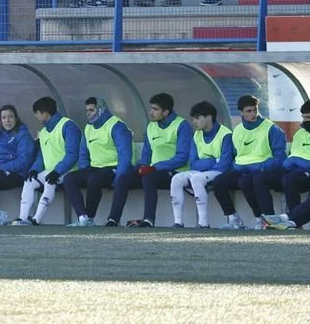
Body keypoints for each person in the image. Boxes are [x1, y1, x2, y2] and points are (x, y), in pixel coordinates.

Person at [106, 92, 192, 228]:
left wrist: (154, 167)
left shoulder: (182, 126)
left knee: (148, 177)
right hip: (153, 171)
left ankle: (149, 220)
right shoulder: (151, 126)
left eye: (155, 109)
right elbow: (146, 155)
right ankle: (113, 220)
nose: (151, 112)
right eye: (151, 108)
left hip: (175, 173)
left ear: (166, 112)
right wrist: (140, 167)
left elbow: (182, 157)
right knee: (124, 178)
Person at [211, 94, 286, 230]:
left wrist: (261, 167)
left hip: (265, 171)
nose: (253, 114)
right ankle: (234, 220)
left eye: (255, 110)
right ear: (241, 112)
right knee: (218, 182)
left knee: (249, 180)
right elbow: (235, 156)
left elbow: (280, 157)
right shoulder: (237, 130)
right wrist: (234, 166)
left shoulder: (271, 128)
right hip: (243, 170)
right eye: (249, 111)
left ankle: (267, 219)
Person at [64, 97, 133, 227]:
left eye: (91, 110)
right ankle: (82, 217)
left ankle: (90, 217)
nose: (88, 113)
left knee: (94, 179)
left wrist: (119, 177)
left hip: (113, 168)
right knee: (69, 178)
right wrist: (84, 170)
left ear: (101, 109)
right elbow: (83, 153)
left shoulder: (116, 126)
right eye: (86, 110)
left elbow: (125, 155)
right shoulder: (88, 128)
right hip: (94, 168)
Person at [12, 96, 81, 225]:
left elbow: (73, 154)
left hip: (69, 170)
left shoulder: (68, 126)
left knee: (50, 181)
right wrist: (34, 170)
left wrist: (57, 171)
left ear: (45, 113)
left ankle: (36, 219)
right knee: (29, 181)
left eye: (37, 114)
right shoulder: (43, 132)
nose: (36, 117)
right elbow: (41, 156)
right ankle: (22, 218)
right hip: (52, 171)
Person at [169, 101, 235, 228]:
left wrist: (204, 165)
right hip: (203, 170)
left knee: (197, 178)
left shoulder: (225, 134)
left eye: (197, 118)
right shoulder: (197, 135)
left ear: (209, 117)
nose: (194, 121)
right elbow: (193, 163)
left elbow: (224, 165)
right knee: (176, 178)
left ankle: (203, 223)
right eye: (193, 118)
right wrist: (213, 160)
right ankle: (178, 222)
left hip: (219, 172)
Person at [276, 99, 310, 211]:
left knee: (289, 179)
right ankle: (267, 219)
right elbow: (292, 154)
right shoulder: (299, 133)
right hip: (295, 170)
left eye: (308, 117)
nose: (304, 121)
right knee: (259, 178)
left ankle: (294, 220)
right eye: (303, 117)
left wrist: (306, 163)